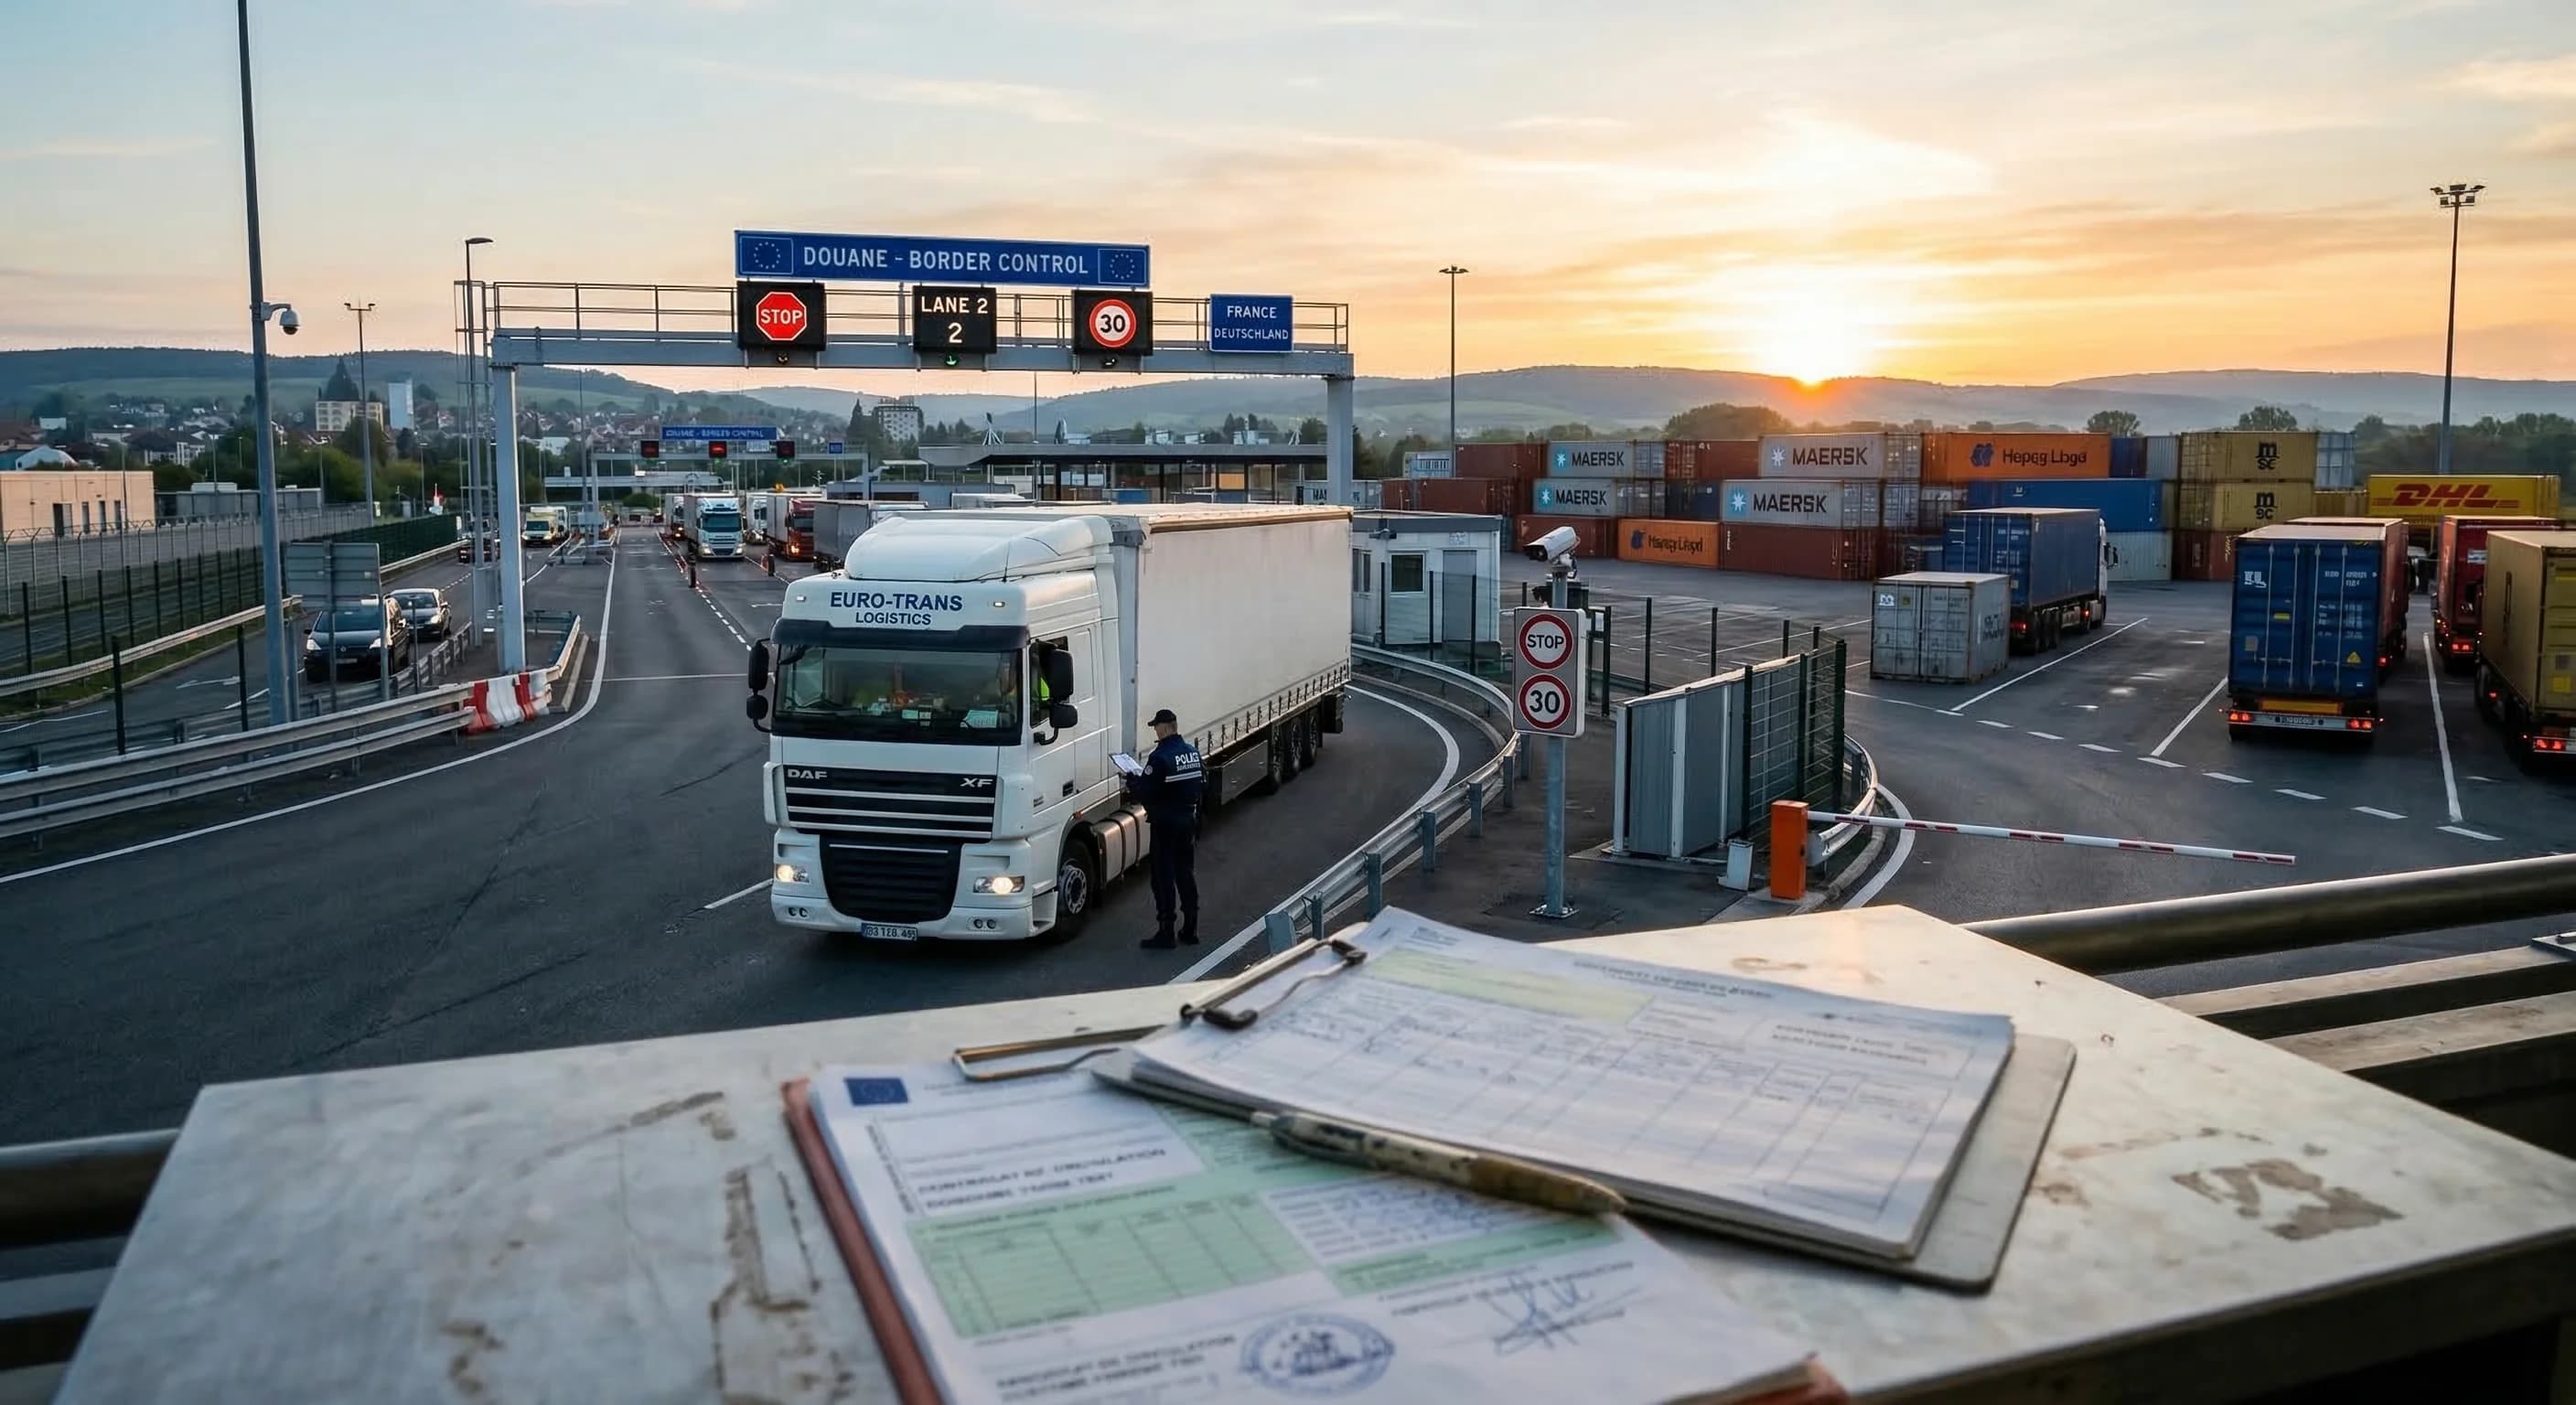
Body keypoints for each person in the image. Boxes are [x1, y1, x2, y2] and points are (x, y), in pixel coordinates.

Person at [1130, 707, 1205, 949]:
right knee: (1185, 873)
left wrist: (1132, 780)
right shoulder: (1192, 753)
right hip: (1188, 820)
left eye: (1155, 727)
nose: (1155, 731)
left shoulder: (1159, 757)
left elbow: (1145, 790)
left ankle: (1166, 931)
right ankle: (1190, 928)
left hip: (1165, 825)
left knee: (1163, 877)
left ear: (1163, 728)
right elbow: (1203, 783)